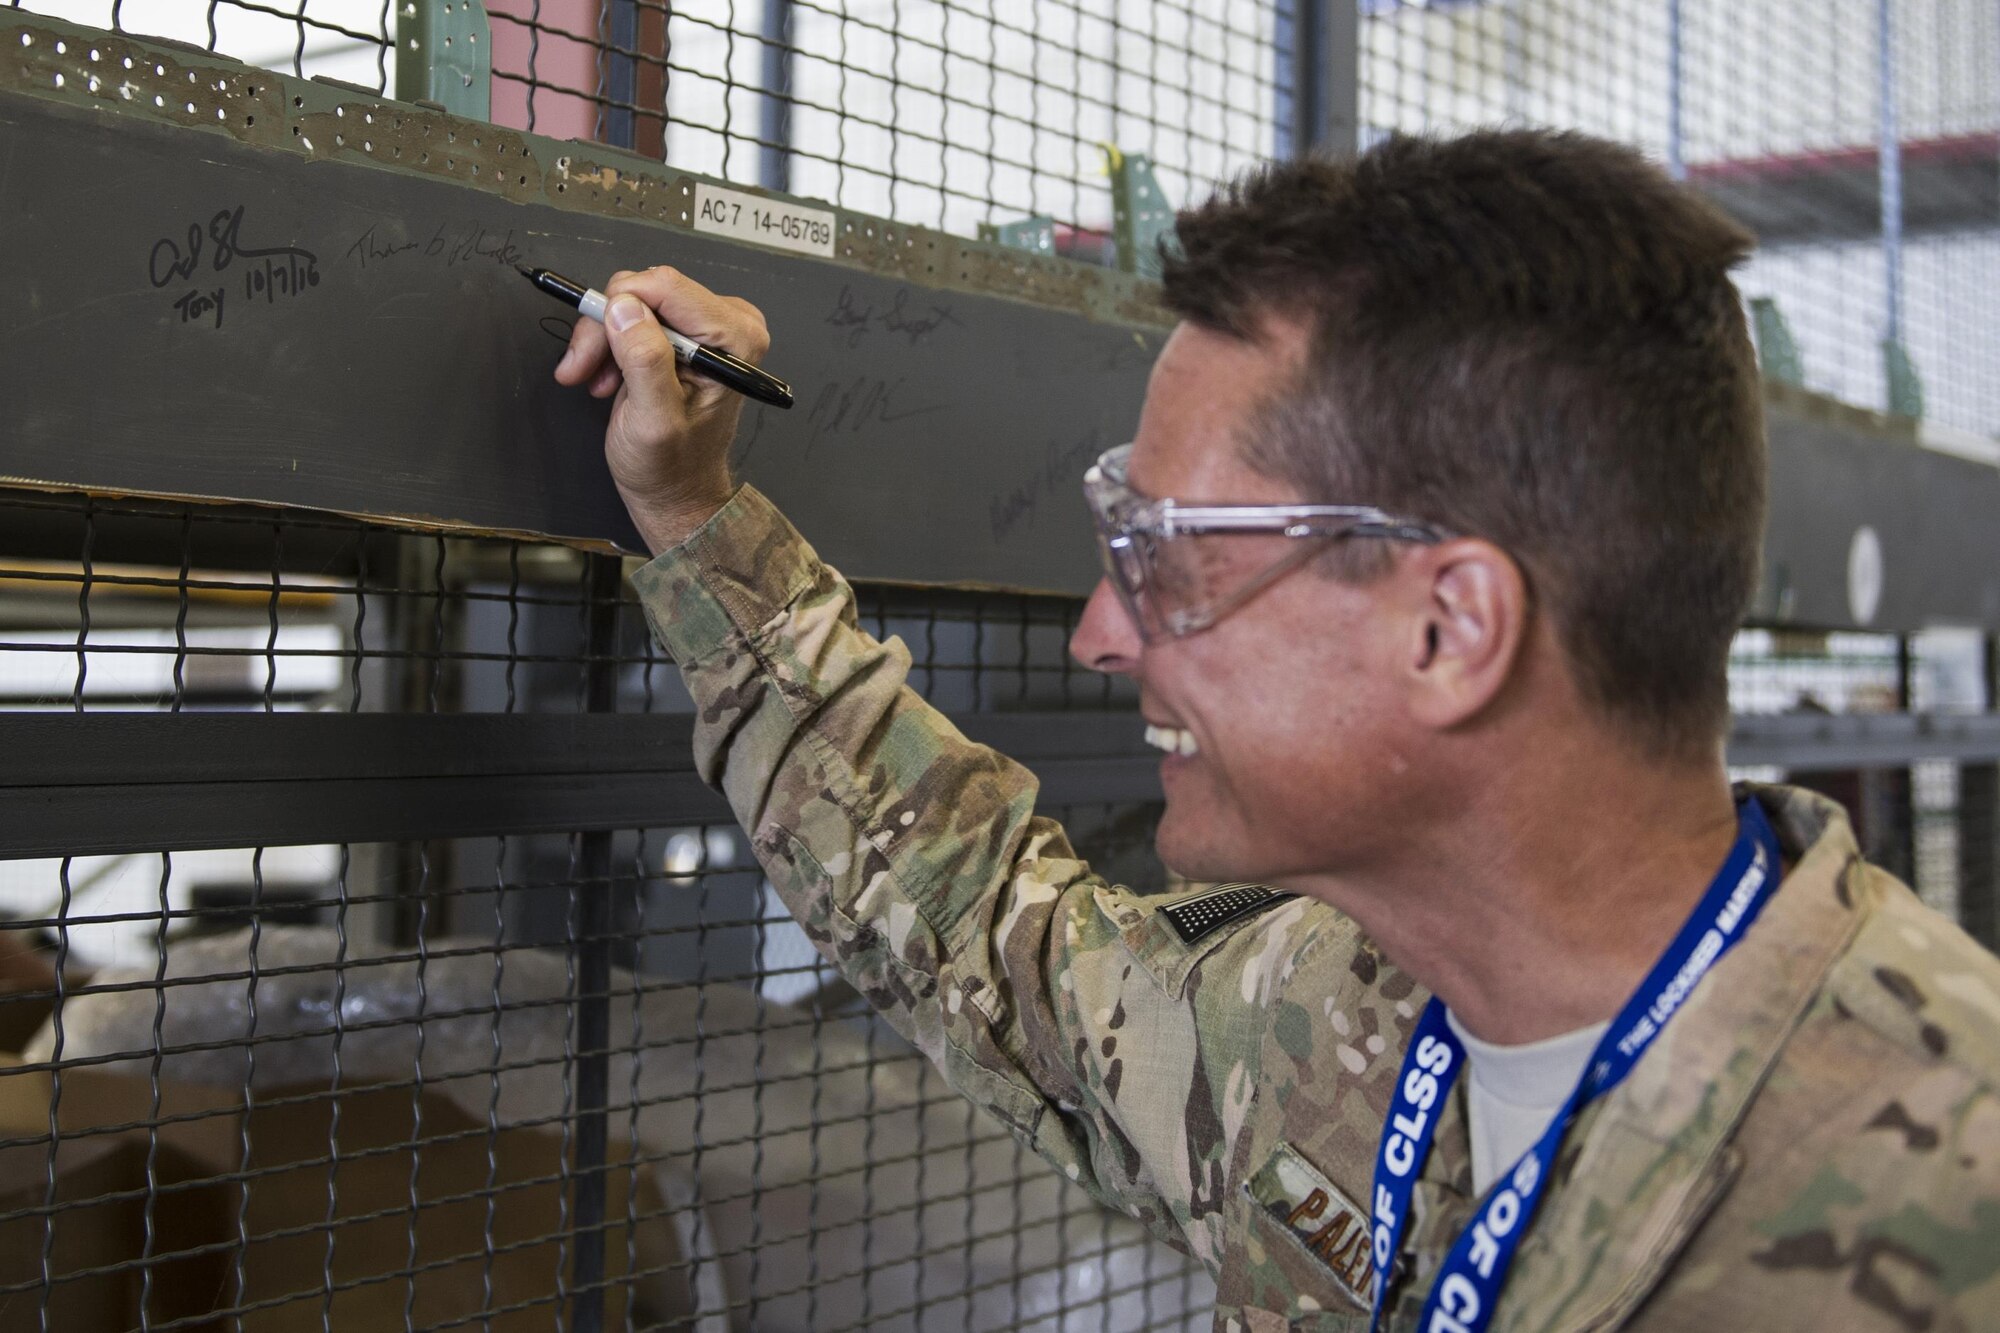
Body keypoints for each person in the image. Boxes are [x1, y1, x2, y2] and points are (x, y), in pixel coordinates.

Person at [553, 130, 2000, 1332]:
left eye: (1171, 556)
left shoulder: (1945, 1207)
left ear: (1451, 630)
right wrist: (697, 514)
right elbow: (985, 934)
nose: (1103, 634)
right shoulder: (1334, 1016)